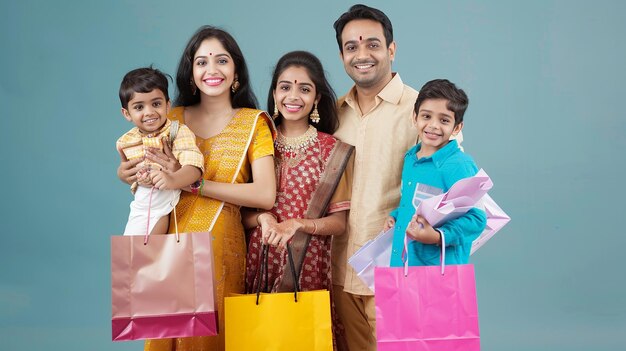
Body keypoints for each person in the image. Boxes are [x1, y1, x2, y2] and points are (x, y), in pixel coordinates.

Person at [117, 26, 276, 351]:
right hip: (167, 246)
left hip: (219, 249)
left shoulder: (253, 122)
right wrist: (126, 172)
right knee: (164, 342)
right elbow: (148, 184)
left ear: (236, 71)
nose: (212, 69)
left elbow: (264, 195)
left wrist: (197, 184)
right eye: (202, 62)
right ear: (191, 73)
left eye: (221, 60)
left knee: (208, 342)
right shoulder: (167, 117)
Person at [243, 51, 352, 350]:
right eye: (285, 87)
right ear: (274, 93)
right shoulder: (256, 142)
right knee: (256, 338)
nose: (294, 96)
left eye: (304, 88)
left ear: (316, 98)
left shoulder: (333, 150)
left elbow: (339, 223)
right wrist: (263, 218)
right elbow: (240, 214)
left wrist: (298, 224)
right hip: (259, 260)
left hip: (308, 263)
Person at [383, 79, 487, 267]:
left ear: (457, 127)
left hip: (437, 273)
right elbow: (415, 203)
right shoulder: (411, 158)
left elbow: (477, 219)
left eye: (444, 120)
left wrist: (438, 236)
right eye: (426, 116)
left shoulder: (460, 165)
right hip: (402, 265)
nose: (433, 126)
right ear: (414, 117)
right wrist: (396, 216)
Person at [116, 67, 203, 236]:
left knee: (146, 253)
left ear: (167, 105)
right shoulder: (127, 141)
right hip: (139, 206)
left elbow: (194, 168)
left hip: (161, 206)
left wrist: (172, 179)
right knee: (131, 256)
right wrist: (124, 175)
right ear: (127, 113)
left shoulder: (177, 132)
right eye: (139, 107)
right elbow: (129, 172)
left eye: (156, 104)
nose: (149, 112)